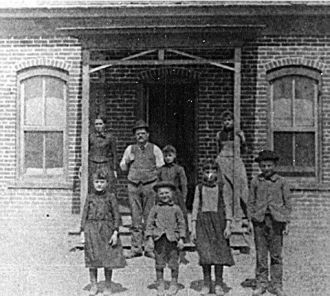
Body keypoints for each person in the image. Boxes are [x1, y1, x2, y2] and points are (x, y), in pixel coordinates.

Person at [247, 150, 291, 296]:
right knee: (261, 254)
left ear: (275, 165)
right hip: (259, 222)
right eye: (263, 166)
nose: (266, 169)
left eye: (269, 166)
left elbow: (287, 203)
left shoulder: (282, 182)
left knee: (276, 255)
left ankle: (277, 284)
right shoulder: (255, 181)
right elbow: (250, 202)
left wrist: (287, 222)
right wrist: (250, 220)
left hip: (276, 222)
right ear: (259, 166)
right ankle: (261, 283)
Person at [120, 119, 165, 258]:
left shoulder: (155, 148)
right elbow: (122, 166)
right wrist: (128, 161)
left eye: (143, 133)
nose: (140, 136)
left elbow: (160, 166)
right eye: (138, 134)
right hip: (133, 185)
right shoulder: (130, 149)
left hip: (149, 185)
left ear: (148, 135)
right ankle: (136, 248)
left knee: (150, 216)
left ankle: (149, 248)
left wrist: (151, 178)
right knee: (135, 217)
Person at [191, 159, 234, 296]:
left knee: (219, 254)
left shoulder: (222, 187)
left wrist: (228, 225)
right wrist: (193, 226)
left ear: (217, 173)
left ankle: (219, 283)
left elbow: (227, 206)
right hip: (203, 224)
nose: (209, 174)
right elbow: (195, 206)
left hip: (219, 223)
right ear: (202, 173)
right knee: (205, 254)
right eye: (207, 171)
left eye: (212, 171)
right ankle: (207, 283)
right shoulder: (199, 188)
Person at [80, 169, 126, 296]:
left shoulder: (111, 197)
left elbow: (116, 215)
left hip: (107, 229)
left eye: (102, 182)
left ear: (107, 183)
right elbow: (84, 214)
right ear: (93, 183)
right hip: (92, 230)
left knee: (108, 258)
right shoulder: (90, 197)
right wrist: (82, 231)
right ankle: (94, 285)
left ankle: (107, 285)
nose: (99, 185)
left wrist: (115, 232)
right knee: (92, 257)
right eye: (96, 182)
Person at [215, 110, 249, 248]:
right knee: (226, 191)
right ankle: (228, 221)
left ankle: (245, 218)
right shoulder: (219, 135)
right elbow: (218, 150)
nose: (227, 123)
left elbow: (245, 151)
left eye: (229, 120)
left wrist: (243, 139)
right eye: (225, 121)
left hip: (236, 162)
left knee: (242, 190)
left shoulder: (238, 134)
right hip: (223, 162)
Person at [145, 181, 186, 296]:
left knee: (173, 263)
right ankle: (160, 284)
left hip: (173, 240)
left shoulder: (176, 209)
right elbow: (149, 224)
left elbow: (182, 223)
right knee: (159, 263)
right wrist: (149, 238)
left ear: (172, 194)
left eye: (167, 193)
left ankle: (173, 283)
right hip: (159, 239)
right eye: (161, 193)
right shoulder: (155, 209)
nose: (164, 196)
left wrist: (182, 238)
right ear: (157, 195)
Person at [157, 145, 189, 263]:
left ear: (174, 156)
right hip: (164, 196)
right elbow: (157, 184)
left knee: (178, 220)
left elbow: (184, 184)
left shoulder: (179, 169)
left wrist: (183, 198)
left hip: (176, 197)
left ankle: (180, 250)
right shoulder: (160, 170)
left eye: (170, 155)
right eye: (165, 156)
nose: (168, 158)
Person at [88, 115, 117, 193]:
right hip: (93, 164)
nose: (98, 126)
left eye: (100, 124)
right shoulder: (91, 137)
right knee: (93, 185)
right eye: (96, 124)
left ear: (104, 125)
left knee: (106, 186)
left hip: (105, 165)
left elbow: (114, 153)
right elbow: (87, 151)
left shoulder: (110, 137)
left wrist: (114, 169)